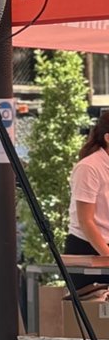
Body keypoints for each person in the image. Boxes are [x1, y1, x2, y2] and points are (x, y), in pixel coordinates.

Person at [65, 110, 109, 292]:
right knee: (94, 316)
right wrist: (107, 256)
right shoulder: (89, 167)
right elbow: (86, 221)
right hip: (88, 247)